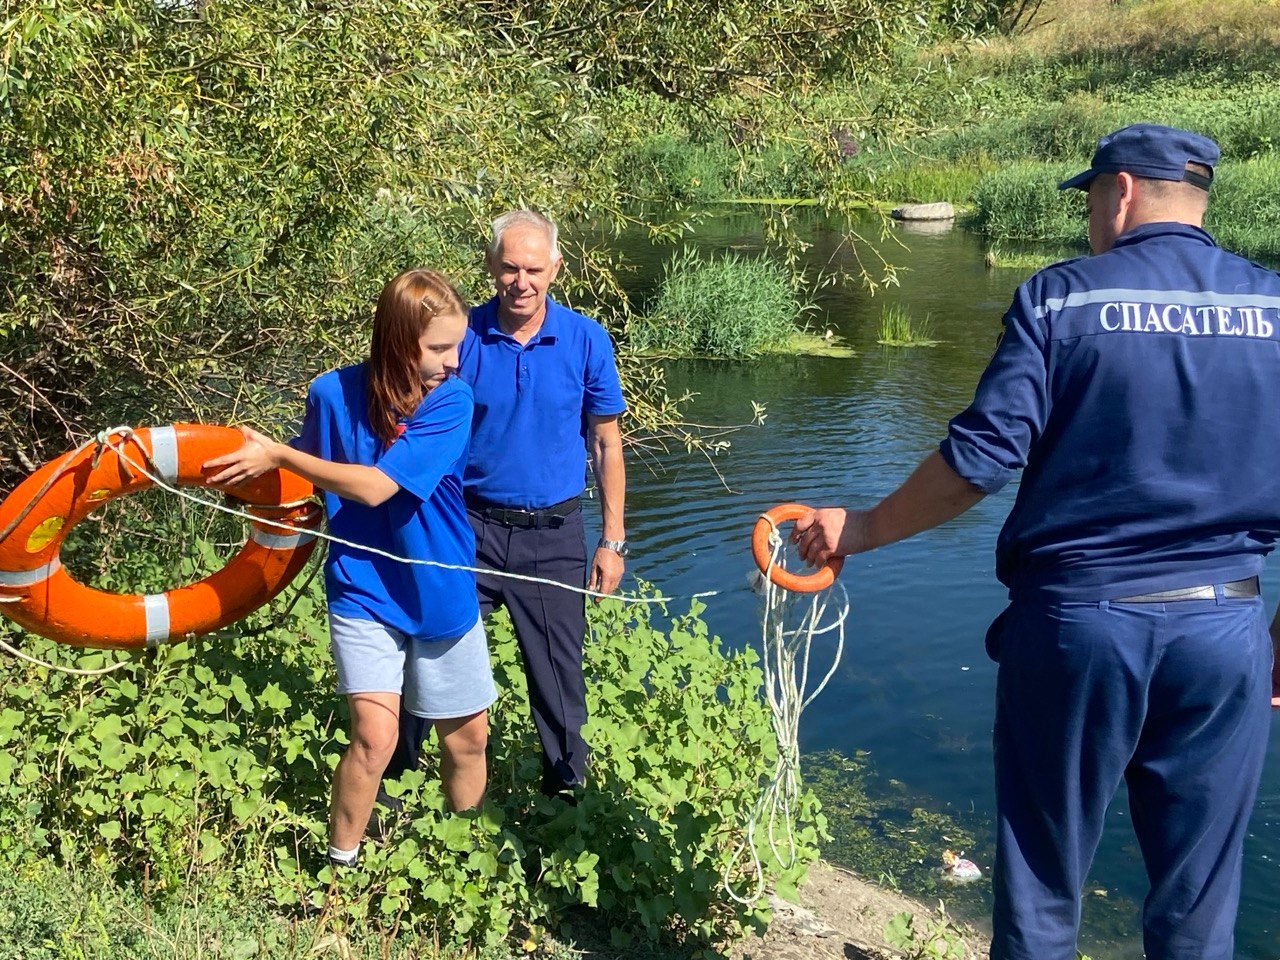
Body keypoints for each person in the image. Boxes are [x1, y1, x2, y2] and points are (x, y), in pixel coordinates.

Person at [792, 124, 1280, 959]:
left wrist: (862, 528)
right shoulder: (1272, 303)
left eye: (1091, 196)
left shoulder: (1062, 299)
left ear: (1121, 190)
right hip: (1223, 628)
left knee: (1044, 887)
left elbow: (980, 460)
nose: (1089, 216)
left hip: (1082, 628)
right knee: (1199, 904)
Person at [204, 268, 496, 867]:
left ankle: (465, 862)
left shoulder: (452, 401)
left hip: (439, 591)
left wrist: (281, 451)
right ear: (396, 340)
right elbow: (306, 481)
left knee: (468, 739)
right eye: (439, 347)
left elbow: (376, 488)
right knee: (374, 736)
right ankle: (341, 871)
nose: (453, 360)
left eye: (457, 345)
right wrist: (258, 484)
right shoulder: (330, 394)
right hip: (362, 588)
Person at [389, 209, 627, 799]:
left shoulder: (585, 339)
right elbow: (409, 417)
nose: (521, 282)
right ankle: (397, 773)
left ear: (556, 269)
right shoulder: (461, 336)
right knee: (430, 648)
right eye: (509, 268)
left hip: (554, 535)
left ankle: (566, 793)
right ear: (492, 266)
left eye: (534, 270)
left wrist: (612, 538)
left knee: (557, 673)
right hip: (465, 526)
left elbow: (604, 443)